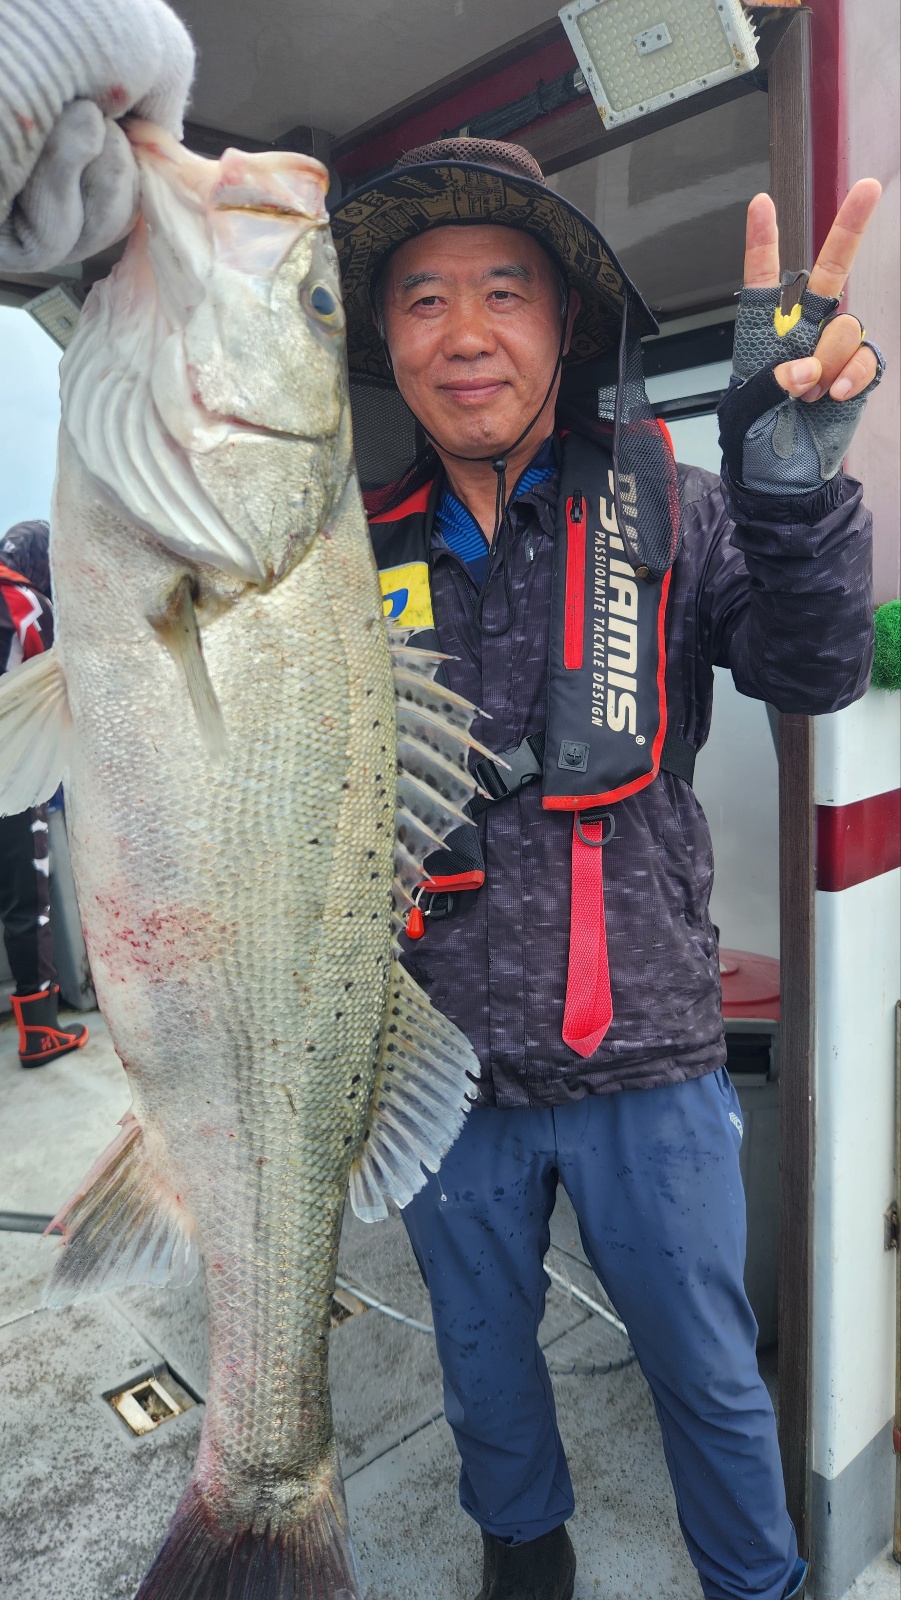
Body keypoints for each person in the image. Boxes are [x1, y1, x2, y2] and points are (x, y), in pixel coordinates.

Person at [0, 9, 883, 1599]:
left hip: (648, 1059)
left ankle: (759, 1587)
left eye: (503, 290)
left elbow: (814, 672)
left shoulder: (677, 508)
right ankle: (518, 1569)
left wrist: (795, 493)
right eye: (418, 297)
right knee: (485, 1379)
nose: (463, 331)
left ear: (561, 323)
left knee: (708, 1376)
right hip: (432, 1067)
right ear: (388, 346)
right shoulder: (336, 542)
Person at [0, 521, 89, 1065]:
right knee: (27, 902)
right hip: (11, 774)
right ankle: (39, 1032)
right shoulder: (25, 601)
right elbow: (59, 681)